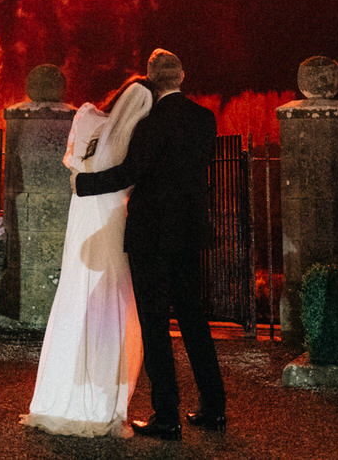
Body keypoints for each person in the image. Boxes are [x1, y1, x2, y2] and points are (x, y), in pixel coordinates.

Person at [74, 48, 226, 440]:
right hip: (189, 231)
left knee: (155, 324)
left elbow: (129, 172)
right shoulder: (205, 119)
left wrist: (83, 183)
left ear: (151, 79)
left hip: (151, 235)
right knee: (194, 320)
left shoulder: (150, 123)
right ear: (182, 76)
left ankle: (167, 415)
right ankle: (214, 408)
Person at [21, 75, 155, 436]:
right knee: (112, 300)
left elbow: (77, 166)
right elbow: (127, 176)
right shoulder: (133, 136)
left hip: (83, 212)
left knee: (79, 292)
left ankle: (63, 393)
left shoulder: (90, 121)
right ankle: (100, 399)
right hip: (110, 217)